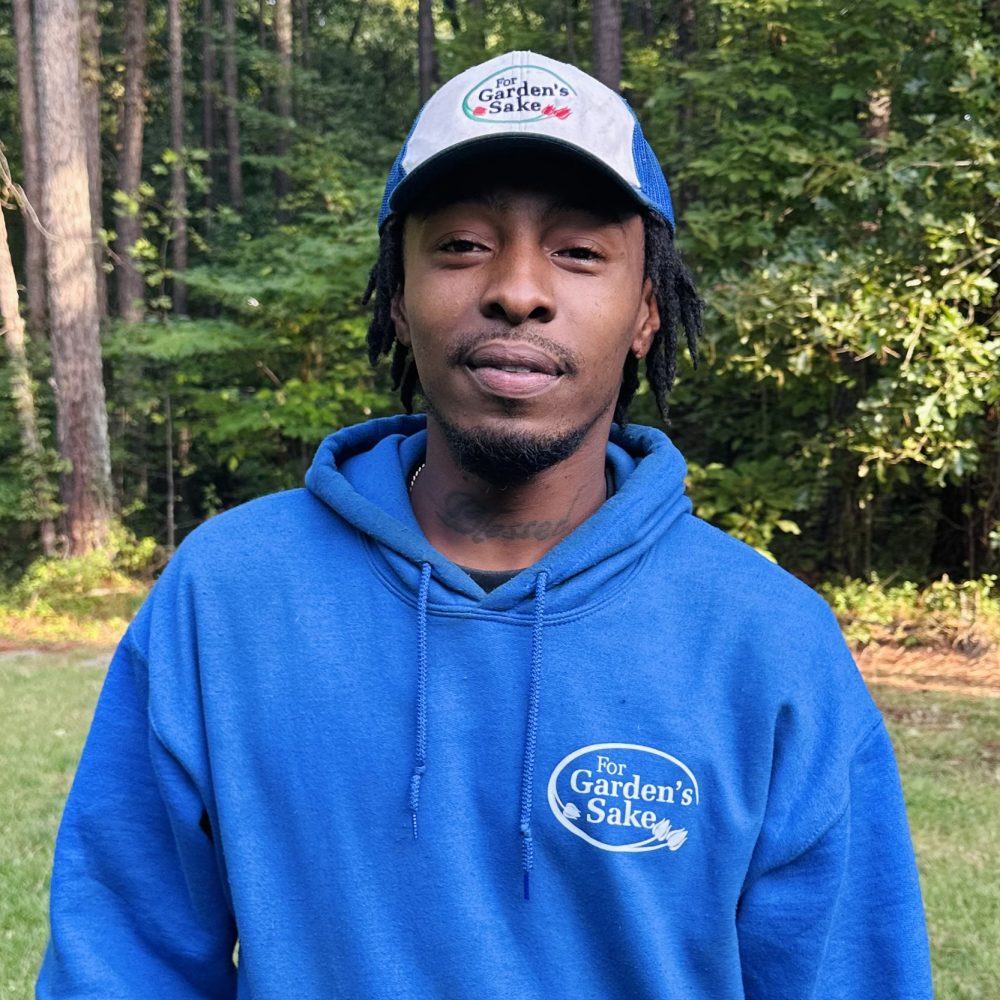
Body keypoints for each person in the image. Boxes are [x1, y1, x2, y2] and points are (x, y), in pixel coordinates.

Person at [38, 51, 932, 999]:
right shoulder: (225, 598)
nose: (517, 289)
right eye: (462, 245)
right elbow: (120, 963)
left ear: (645, 314)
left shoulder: (771, 642)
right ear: (396, 294)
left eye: (579, 252)